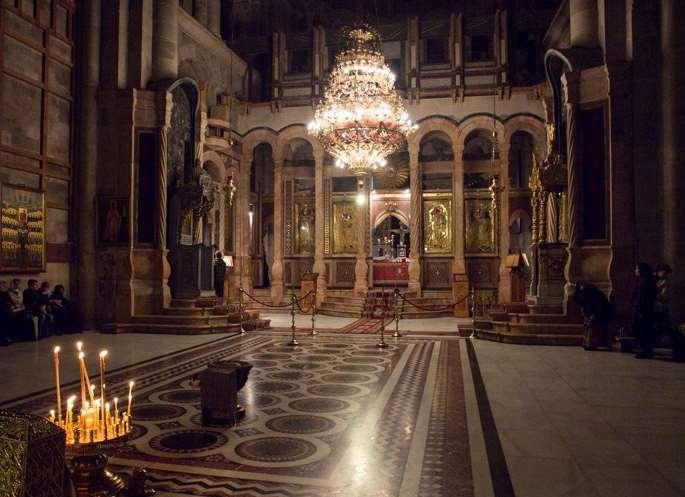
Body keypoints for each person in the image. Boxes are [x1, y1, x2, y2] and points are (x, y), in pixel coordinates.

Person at [573, 282, 612, 350]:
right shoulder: (585, 296)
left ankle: (591, 344)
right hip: (593, 313)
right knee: (588, 324)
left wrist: (592, 317)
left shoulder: (595, 296)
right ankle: (587, 343)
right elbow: (578, 301)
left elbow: (600, 309)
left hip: (601, 314)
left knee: (592, 325)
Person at [632, 262, 657, 359]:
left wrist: (639, 309)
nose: (635, 271)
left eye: (637, 269)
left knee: (644, 330)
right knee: (645, 330)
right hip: (645, 309)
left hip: (643, 310)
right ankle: (646, 350)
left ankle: (645, 351)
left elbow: (643, 298)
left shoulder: (645, 282)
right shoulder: (645, 280)